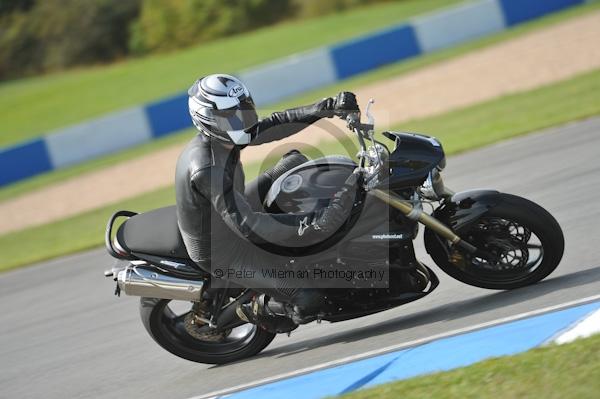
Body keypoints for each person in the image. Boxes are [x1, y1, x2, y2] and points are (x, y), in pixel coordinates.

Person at [175, 73, 359, 331]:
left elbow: (274, 124)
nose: (240, 120)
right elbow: (247, 225)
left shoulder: (225, 135)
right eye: (231, 115)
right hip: (221, 249)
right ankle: (250, 308)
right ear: (208, 118)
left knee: (293, 162)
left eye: (243, 110)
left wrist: (324, 108)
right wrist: (311, 224)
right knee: (310, 299)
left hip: (230, 209)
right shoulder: (207, 167)